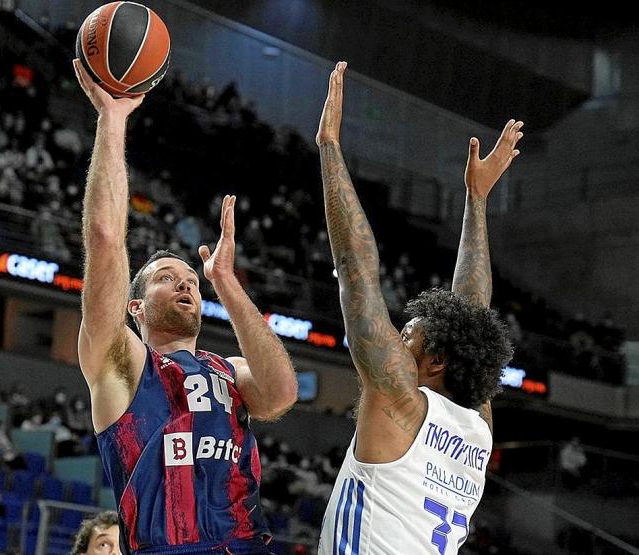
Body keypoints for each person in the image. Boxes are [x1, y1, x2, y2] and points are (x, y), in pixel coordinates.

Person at [72, 59, 298, 555]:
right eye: (166, 278)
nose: (185, 285)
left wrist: (227, 283)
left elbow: (282, 393)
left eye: (192, 280)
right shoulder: (124, 366)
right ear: (135, 308)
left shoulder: (229, 371)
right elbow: (107, 240)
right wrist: (113, 120)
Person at [316, 62, 521, 553]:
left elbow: (356, 269)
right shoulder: (479, 429)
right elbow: (471, 315)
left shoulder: (400, 403)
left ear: (435, 362)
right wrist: (476, 199)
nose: (397, 339)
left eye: (408, 336)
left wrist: (328, 149)